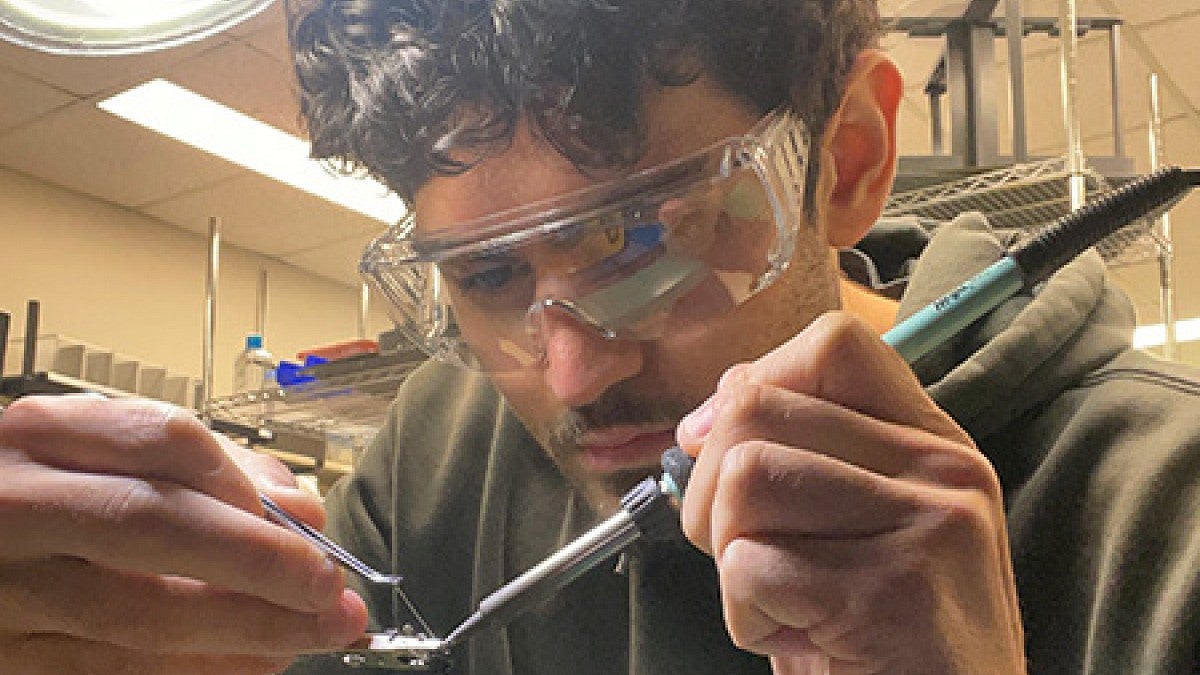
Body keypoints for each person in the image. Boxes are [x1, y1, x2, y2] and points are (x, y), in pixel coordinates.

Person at [0, 0, 1198, 673]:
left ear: (847, 163)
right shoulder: (440, 458)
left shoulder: (1165, 520)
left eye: (642, 243)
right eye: (484, 273)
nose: (571, 373)